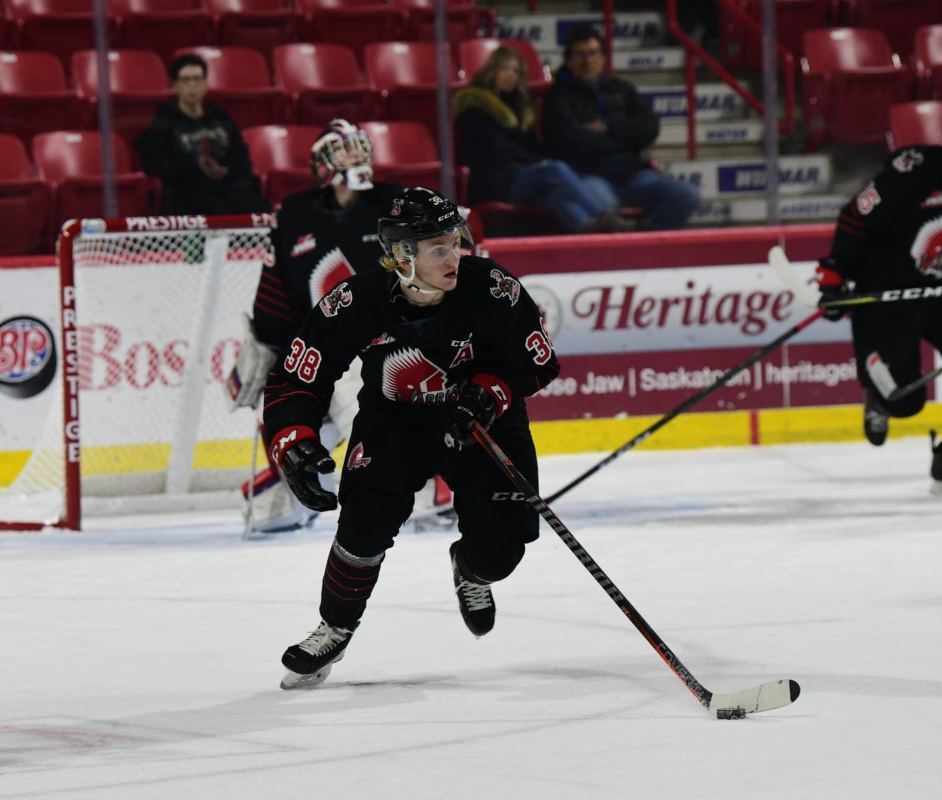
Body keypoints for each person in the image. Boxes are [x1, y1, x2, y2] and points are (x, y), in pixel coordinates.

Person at [263, 186, 560, 689]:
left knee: (501, 551)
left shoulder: (493, 289)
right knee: (363, 525)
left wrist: (490, 393)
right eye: (438, 248)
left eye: (456, 242)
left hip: (480, 422)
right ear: (402, 256)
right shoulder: (354, 302)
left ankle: (471, 569)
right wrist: (293, 440)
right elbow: (298, 376)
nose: (455, 257)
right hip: (395, 422)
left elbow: (539, 363)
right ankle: (334, 627)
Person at [227, 120, 450, 532]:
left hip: (391, 349)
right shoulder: (294, 215)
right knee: (271, 506)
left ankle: (429, 486)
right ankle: (288, 491)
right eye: (343, 149)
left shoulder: (396, 204)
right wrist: (267, 352)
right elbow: (277, 294)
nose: (356, 156)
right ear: (322, 164)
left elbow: (444, 265)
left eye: (360, 147)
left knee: (365, 404)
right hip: (325, 348)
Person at [816, 96, 942, 493]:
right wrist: (835, 271)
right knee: (906, 402)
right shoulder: (915, 168)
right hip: (888, 294)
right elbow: (857, 214)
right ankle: (878, 398)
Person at [452, 44, 630, 234]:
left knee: (553, 196)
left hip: (520, 177)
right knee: (554, 169)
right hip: (493, 183)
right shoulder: (476, 106)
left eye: (516, 71)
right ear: (492, 70)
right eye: (505, 69)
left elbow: (531, 148)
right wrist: (539, 162)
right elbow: (500, 149)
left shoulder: (521, 107)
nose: (510, 75)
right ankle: (608, 218)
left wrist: (537, 160)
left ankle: (588, 228)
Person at [541, 24, 700, 231]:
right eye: (580, 55)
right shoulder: (557, 97)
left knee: (687, 195)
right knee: (606, 212)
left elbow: (650, 127)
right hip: (589, 176)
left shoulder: (622, 89)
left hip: (634, 175)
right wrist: (626, 138)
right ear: (569, 60)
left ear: (603, 58)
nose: (587, 61)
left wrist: (608, 127)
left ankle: (647, 240)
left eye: (593, 54)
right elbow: (573, 143)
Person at [135, 53, 270, 215]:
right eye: (186, 80)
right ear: (175, 85)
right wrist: (195, 166)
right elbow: (158, 166)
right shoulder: (164, 122)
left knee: (261, 209)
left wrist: (226, 171)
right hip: (187, 191)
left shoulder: (220, 117)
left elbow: (241, 157)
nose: (192, 85)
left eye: (197, 79)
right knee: (215, 209)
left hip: (226, 186)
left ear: (206, 84)